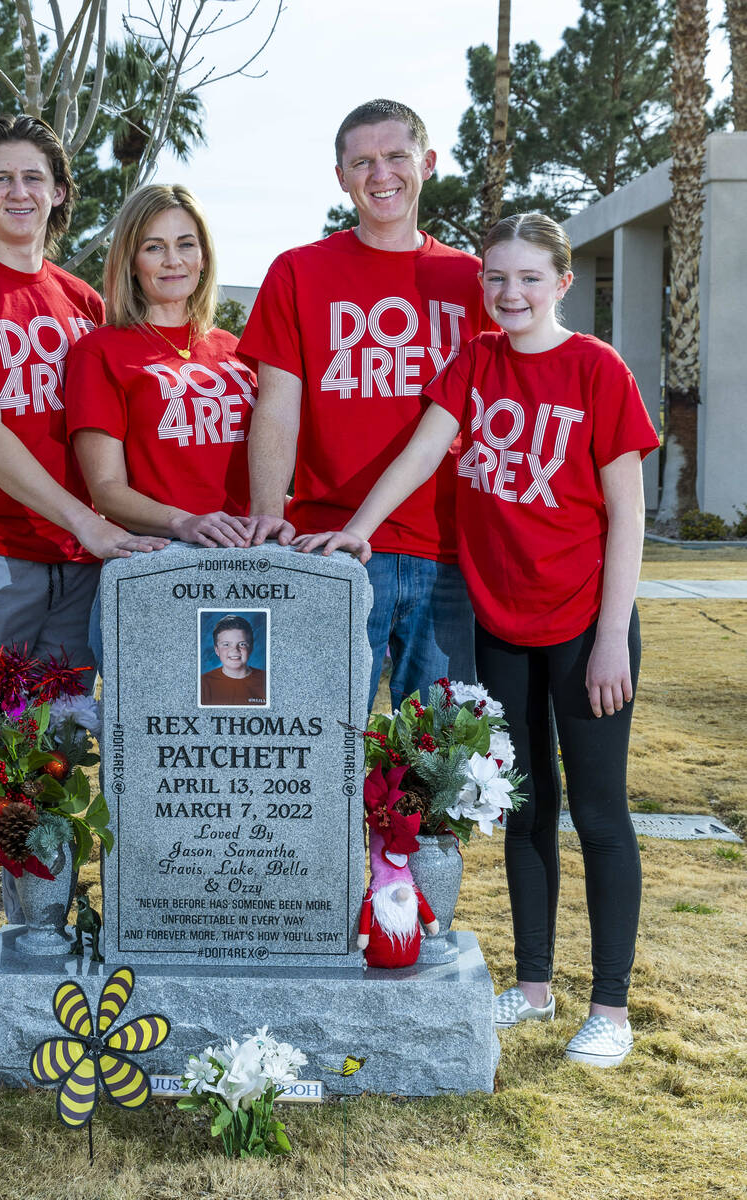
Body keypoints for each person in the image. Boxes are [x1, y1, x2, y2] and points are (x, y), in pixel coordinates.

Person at [297, 212, 659, 1068]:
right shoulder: (476, 359)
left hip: (583, 626)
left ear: (562, 283)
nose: (510, 294)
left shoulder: (596, 370)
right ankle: (533, 987)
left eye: (530, 278)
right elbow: (424, 452)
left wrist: (612, 637)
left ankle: (609, 1006)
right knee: (525, 808)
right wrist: (359, 528)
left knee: (598, 814)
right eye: (496, 279)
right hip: (501, 622)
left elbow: (629, 519)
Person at [0, 115, 166, 1023]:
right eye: (1, 179)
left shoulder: (86, 305)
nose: (20, 193)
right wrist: (84, 523)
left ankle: (43, 923)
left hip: (78, 571)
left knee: (52, 755)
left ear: (60, 194)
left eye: (36, 179)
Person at [239, 98, 490, 712]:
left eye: (396, 156)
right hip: (329, 543)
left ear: (427, 163)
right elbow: (275, 406)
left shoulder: (476, 281)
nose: (381, 175)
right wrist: (270, 518)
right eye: (363, 162)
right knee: (318, 737)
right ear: (341, 176)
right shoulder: (298, 273)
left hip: (451, 549)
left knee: (446, 752)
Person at [67, 184, 257, 550]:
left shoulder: (235, 350)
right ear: (131, 262)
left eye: (186, 244)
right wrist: (184, 522)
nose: (173, 260)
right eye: (154, 247)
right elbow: (106, 490)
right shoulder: (99, 352)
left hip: (245, 558)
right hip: (159, 558)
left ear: (203, 257)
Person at [200, 614, 267, 706]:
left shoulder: (267, 680)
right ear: (217, 650)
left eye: (242, 644)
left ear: (250, 648)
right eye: (226, 644)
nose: (235, 650)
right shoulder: (202, 684)